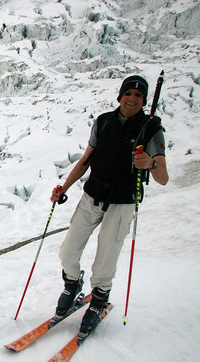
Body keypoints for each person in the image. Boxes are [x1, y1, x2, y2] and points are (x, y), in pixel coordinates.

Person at [50, 75, 169, 334]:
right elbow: (85, 161)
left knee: (106, 258)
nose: (133, 98)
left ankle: (99, 298)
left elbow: (163, 178)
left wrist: (151, 163)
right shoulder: (104, 122)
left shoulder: (152, 129)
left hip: (123, 202)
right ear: (120, 95)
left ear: (144, 100)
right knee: (68, 252)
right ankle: (72, 284)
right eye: (129, 93)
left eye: (139, 95)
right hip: (92, 197)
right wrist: (63, 188)